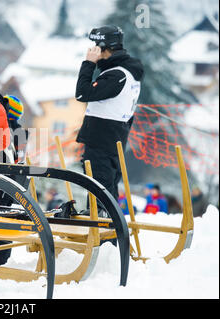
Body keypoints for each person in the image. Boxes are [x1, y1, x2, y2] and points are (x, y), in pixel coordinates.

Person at [75, 25, 144, 217]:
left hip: (101, 143)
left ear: (105, 47)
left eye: (97, 46)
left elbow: (82, 93)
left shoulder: (117, 75)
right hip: (113, 141)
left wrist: (88, 63)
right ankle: (111, 241)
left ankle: (105, 241)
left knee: (100, 195)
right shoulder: (126, 73)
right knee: (107, 193)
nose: (93, 50)